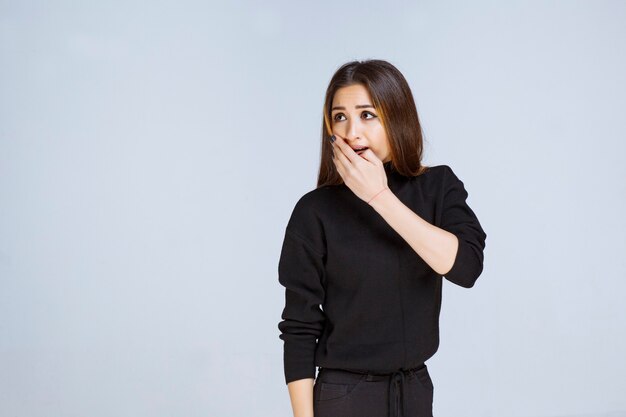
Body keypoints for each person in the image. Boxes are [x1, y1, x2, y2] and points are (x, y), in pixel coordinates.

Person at [277, 59, 487, 417]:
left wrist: (379, 196)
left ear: (397, 118)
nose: (352, 131)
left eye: (367, 115)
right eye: (340, 116)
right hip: (344, 395)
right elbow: (299, 327)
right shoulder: (315, 211)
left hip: (414, 389)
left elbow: (465, 268)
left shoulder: (437, 187)